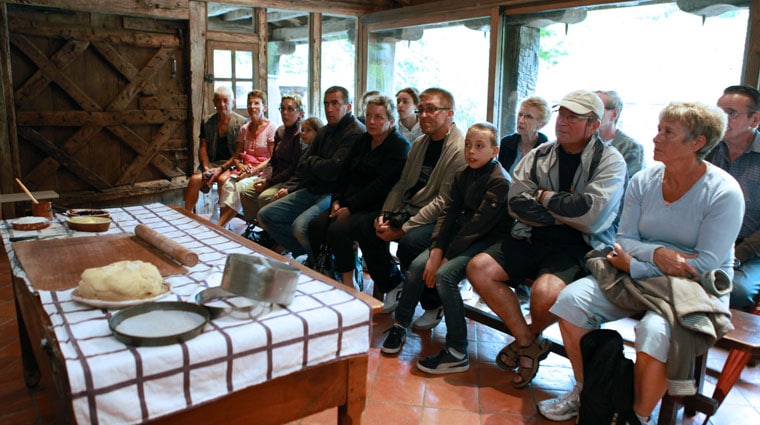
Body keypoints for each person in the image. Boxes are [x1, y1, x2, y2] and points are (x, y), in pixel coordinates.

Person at [539, 102, 744, 424]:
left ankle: (636, 417)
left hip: (693, 288)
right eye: (659, 129)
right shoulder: (645, 180)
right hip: (637, 271)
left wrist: (636, 265)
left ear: (697, 142)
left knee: (654, 331)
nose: (656, 138)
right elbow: (625, 239)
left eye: (668, 132)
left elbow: (704, 264)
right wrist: (658, 255)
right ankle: (587, 392)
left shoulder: (724, 192)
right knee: (571, 301)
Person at [466, 89, 627, 388]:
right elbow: (516, 204)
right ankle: (528, 342)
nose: (563, 122)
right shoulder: (540, 154)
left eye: (573, 117)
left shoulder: (610, 162)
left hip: (578, 246)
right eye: (561, 115)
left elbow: (592, 218)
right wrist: (567, 209)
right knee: (479, 268)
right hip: (531, 235)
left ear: (593, 125)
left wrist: (542, 197)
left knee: (544, 293)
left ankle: (526, 338)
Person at [381, 123, 513, 375]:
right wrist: (436, 251)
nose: (471, 151)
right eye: (468, 145)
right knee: (419, 266)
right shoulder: (463, 173)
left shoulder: (500, 182)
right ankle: (400, 325)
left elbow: (477, 227)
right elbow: (447, 214)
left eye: (479, 146)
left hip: (488, 241)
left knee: (444, 275)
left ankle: (457, 351)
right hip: (461, 236)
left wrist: (446, 257)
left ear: (494, 151)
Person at [355, 87, 467, 316]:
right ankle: (393, 283)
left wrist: (403, 228)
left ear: (450, 113)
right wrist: (385, 214)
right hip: (412, 207)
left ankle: (433, 302)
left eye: (432, 110)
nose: (424, 115)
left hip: (443, 218)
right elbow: (403, 183)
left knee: (409, 244)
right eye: (421, 110)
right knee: (367, 226)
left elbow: (443, 202)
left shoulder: (459, 150)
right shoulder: (419, 144)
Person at [308, 96, 410, 286]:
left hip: (379, 205)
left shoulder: (399, 146)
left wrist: (350, 208)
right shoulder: (363, 140)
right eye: (369, 115)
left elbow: (382, 185)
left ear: (391, 121)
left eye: (379, 117)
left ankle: (349, 282)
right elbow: (343, 173)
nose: (371, 121)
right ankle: (332, 272)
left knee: (339, 229)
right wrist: (337, 201)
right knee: (315, 225)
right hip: (350, 201)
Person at [257, 86, 365, 259]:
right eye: (326, 103)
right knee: (266, 215)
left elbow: (332, 170)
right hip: (311, 188)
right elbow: (303, 163)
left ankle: (317, 264)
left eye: (335, 103)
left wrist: (315, 162)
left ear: (349, 107)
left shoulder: (356, 132)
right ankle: (309, 255)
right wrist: (319, 164)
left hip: (334, 194)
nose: (329, 108)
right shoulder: (324, 130)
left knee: (300, 227)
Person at [710, 85, 760, 311]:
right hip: (705, 242)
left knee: (737, 290)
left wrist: (735, 254)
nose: (721, 119)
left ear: (755, 119)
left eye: (731, 113)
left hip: (749, 251)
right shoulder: (707, 149)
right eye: (718, 111)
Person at [239, 95, 310, 228]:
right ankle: (259, 226)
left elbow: (294, 168)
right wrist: (264, 177)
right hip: (275, 177)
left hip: (290, 180)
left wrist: (269, 182)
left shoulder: (301, 134)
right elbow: (273, 160)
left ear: (300, 113)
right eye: (282, 109)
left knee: (265, 197)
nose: (285, 113)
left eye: (290, 109)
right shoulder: (281, 131)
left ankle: (273, 233)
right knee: (246, 192)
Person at [217, 90, 276, 227]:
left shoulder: (271, 128)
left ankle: (220, 225)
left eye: (257, 103)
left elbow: (273, 158)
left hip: (262, 171)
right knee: (227, 185)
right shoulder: (244, 129)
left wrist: (254, 170)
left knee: (240, 187)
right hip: (245, 169)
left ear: (264, 108)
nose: (252, 106)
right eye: (250, 103)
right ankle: (224, 225)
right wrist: (241, 166)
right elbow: (236, 157)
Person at [184, 86, 247, 211]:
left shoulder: (242, 123)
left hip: (232, 164)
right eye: (218, 100)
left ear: (233, 103)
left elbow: (239, 154)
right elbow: (203, 148)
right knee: (195, 179)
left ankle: (223, 221)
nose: (221, 104)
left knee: (224, 181)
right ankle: (187, 215)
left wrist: (221, 169)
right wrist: (207, 168)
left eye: (225, 100)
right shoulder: (207, 121)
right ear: (214, 102)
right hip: (212, 163)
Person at [595, 90, 645, 179]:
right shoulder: (582, 141)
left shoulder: (633, 148)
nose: (590, 113)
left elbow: (631, 185)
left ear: (614, 114)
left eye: (597, 108)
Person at [499, 95, 551, 174]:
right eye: (520, 114)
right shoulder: (506, 143)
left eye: (528, 117)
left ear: (541, 125)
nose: (521, 120)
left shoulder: (547, 150)